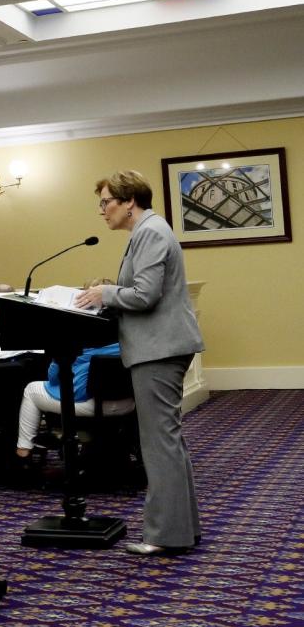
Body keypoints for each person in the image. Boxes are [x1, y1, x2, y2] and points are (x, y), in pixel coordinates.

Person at [75, 170, 204, 556]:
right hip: (160, 347)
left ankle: (165, 535)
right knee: (167, 441)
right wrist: (108, 296)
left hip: (158, 350)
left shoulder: (149, 232)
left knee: (158, 443)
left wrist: (104, 293)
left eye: (105, 202)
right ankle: (182, 528)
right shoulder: (149, 230)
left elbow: (145, 295)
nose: (102, 211)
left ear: (129, 201)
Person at [15, 279, 135, 459]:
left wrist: (58, 353)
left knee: (32, 390)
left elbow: (55, 379)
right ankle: (96, 448)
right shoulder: (130, 336)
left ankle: (23, 452)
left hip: (93, 404)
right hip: (129, 403)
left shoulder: (81, 343)